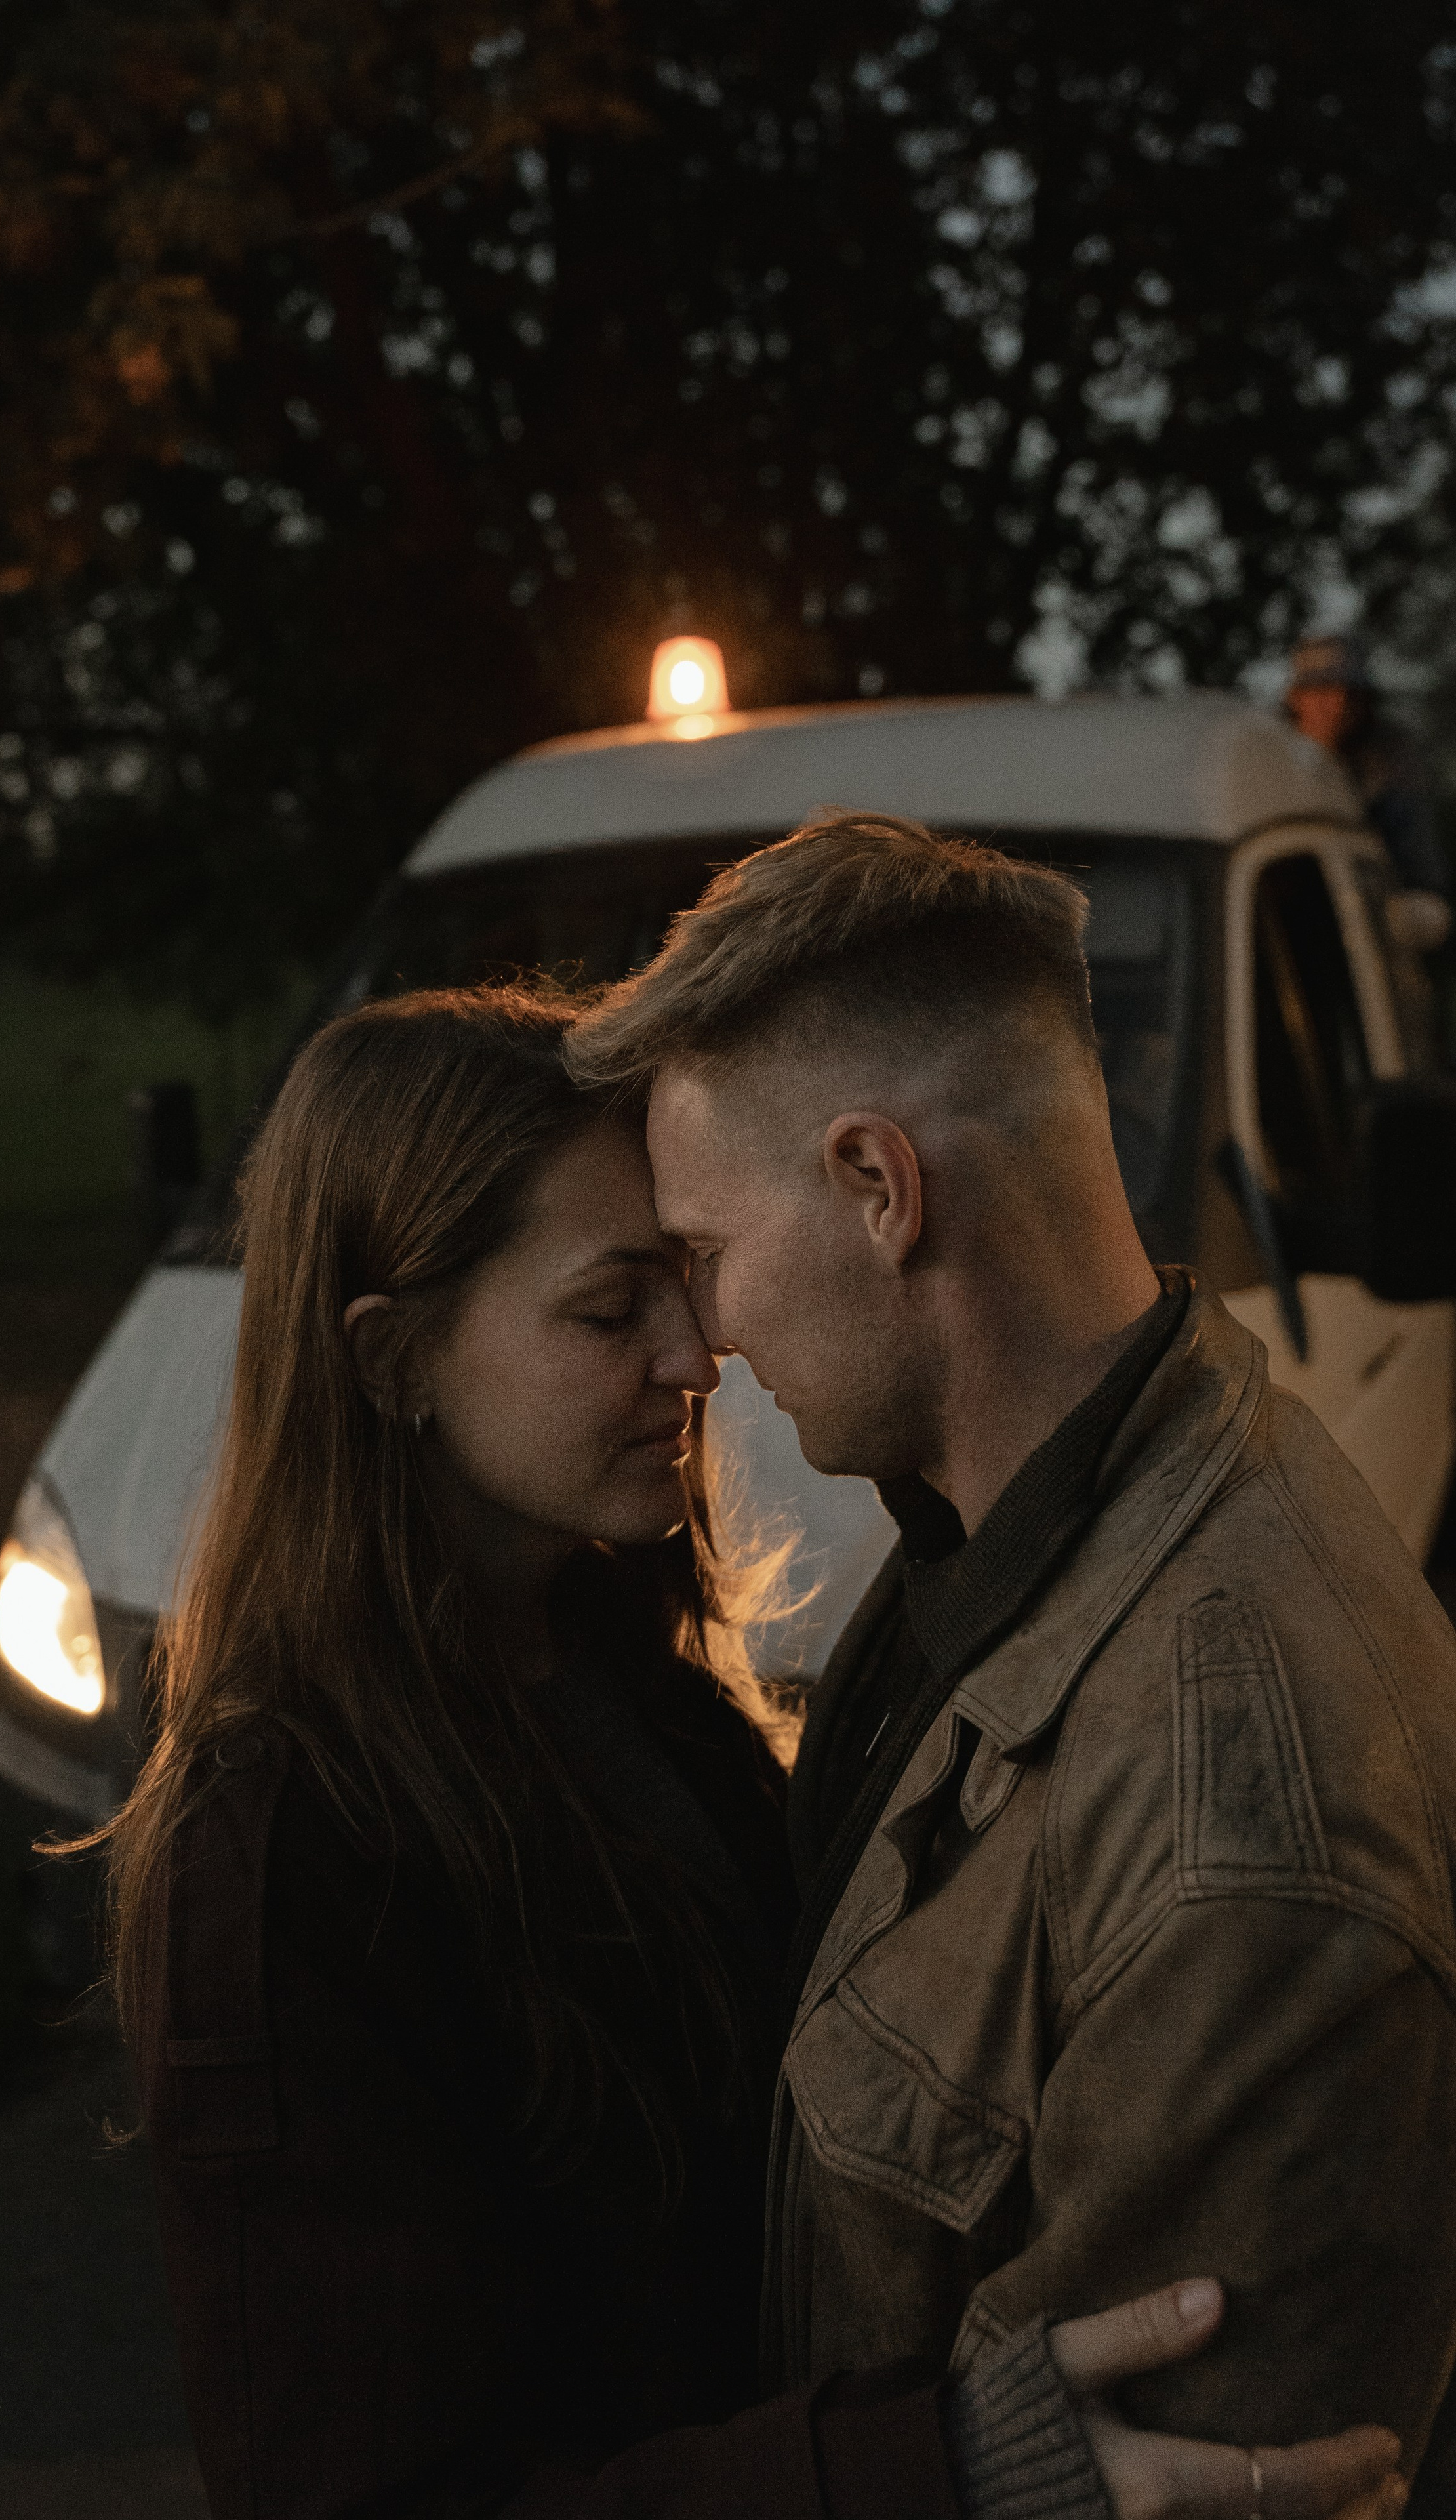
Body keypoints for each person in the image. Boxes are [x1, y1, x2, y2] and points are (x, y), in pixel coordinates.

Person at [105, 985, 1404, 2520]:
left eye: (684, 1276)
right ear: (390, 1359)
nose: (697, 1353)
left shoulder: (628, 1676)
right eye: (611, 1311)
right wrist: (939, 2468)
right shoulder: (284, 1850)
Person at [567, 813, 1456, 2486]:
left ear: (877, 1187)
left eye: (706, 1253)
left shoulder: (1233, 1840)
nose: (708, 1334)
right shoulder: (993, 1535)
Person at [1283, 633, 1449, 896]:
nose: (1338, 705)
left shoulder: (1388, 758)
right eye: (1322, 690)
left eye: (1351, 694)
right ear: (1296, 698)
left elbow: (1418, 862)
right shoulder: (1269, 758)